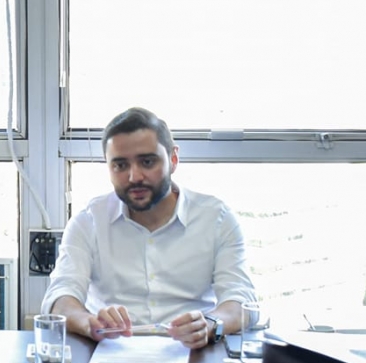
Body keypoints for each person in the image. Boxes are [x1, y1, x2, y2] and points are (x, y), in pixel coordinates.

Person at [42, 107, 256, 346]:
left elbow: (243, 302)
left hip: (192, 352)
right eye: (120, 165)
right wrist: (88, 322)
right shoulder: (89, 221)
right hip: (110, 350)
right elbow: (60, 298)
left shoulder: (216, 219)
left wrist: (209, 323)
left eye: (147, 162)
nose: (134, 177)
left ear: (173, 159)